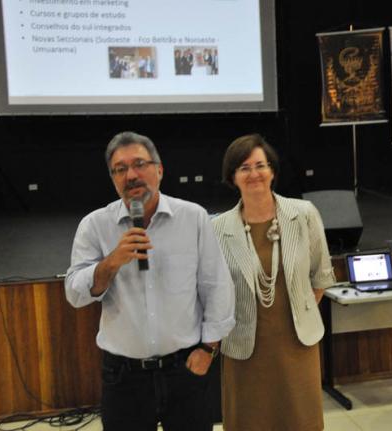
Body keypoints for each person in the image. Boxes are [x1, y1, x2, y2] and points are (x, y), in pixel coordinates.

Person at [65, 131, 235, 431]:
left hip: (185, 369)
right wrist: (112, 261)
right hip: (123, 376)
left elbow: (216, 286)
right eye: (120, 169)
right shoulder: (95, 225)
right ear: (113, 178)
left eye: (139, 164)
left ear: (159, 170)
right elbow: (75, 294)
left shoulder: (193, 217)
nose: (131, 175)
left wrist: (209, 350)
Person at [212, 134, 335, 431]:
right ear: (233, 176)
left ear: (272, 171)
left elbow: (321, 276)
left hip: (297, 344)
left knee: (300, 422)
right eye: (244, 167)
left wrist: (298, 310)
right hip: (244, 349)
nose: (254, 174)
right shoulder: (217, 228)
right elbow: (214, 292)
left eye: (260, 165)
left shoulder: (303, 214)